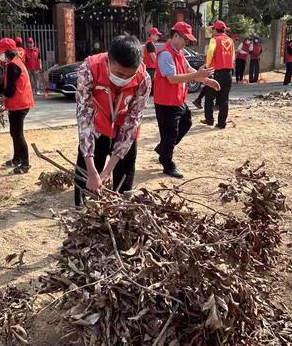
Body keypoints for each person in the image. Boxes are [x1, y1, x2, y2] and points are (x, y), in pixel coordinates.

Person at [74, 35, 152, 207]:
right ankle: (80, 215)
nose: (123, 78)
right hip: (97, 129)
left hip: (124, 133)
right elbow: (84, 118)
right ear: (109, 60)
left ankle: (120, 215)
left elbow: (132, 121)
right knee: (85, 182)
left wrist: (108, 170)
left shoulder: (143, 79)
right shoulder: (89, 69)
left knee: (124, 187)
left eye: (128, 75)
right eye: (118, 74)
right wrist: (93, 172)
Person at [154, 21, 218, 179]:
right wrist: (197, 76)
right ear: (175, 36)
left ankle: (163, 149)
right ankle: (167, 163)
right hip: (166, 103)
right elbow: (172, 79)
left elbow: (188, 69)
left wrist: (206, 81)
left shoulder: (179, 52)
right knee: (170, 135)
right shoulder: (166, 54)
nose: (186, 42)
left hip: (178, 100)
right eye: (185, 39)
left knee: (187, 122)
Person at [0, 38, 35, 174]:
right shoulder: (13, 63)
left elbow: (10, 91)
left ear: (7, 52)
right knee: (14, 132)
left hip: (20, 104)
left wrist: (1, 99)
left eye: (1, 53)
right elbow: (7, 85)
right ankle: (16, 159)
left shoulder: (13, 66)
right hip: (19, 103)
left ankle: (25, 164)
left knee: (18, 134)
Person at [202, 20, 235, 130]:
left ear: (215, 29)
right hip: (228, 73)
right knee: (224, 99)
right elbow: (233, 57)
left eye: (213, 29)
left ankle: (209, 119)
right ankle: (221, 123)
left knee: (209, 97)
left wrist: (207, 65)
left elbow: (210, 53)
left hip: (216, 72)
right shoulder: (230, 40)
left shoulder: (214, 40)